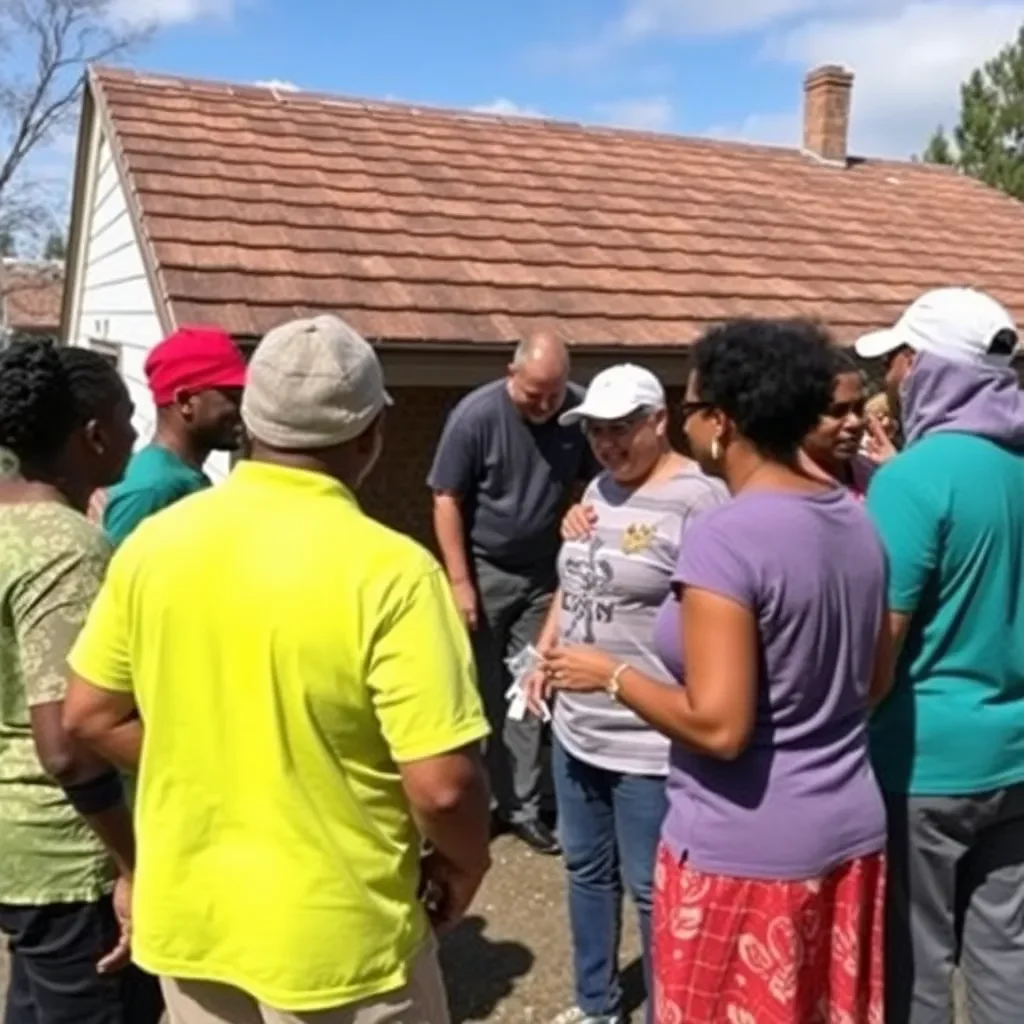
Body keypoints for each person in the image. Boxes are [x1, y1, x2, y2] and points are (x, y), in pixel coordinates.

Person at [63, 314, 492, 1024]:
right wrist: (466, 864)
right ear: (371, 434)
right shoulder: (394, 573)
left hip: (194, 922)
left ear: (253, 422)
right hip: (339, 940)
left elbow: (87, 716)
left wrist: (213, 762)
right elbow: (444, 788)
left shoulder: (154, 546)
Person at [545, 319, 891, 1024]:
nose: (686, 421)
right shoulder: (856, 517)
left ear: (723, 422)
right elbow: (873, 683)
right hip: (849, 828)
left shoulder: (726, 536)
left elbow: (720, 727)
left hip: (746, 848)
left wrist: (612, 676)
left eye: (693, 406)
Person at [528, 365, 726, 1024]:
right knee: (585, 869)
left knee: (652, 886)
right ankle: (596, 1004)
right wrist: (544, 654)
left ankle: (670, 1011)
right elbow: (574, 585)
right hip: (578, 725)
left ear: (658, 420)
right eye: (595, 432)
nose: (606, 444)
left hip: (650, 736)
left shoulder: (701, 500)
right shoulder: (597, 489)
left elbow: (719, 615)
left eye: (620, 429)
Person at [855, 287, 1024, 1024]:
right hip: (1016, 753)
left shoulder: (910, 479)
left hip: (923, 762)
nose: (892, 376)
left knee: (916, 962)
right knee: (1006, 952)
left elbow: (880, 647)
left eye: (900, 358)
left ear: (927, 367)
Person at [0, 341, 163, 1024]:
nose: (136, 433)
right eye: (128, 417)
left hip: (16, 848)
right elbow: (67, 743)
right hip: (70, 854)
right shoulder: (67, 550)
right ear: (94, 434)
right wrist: (134, 864)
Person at [428, 332, 598, 855]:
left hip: (542, 575)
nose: (545, 406)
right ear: (511, 374)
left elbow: (600, 481)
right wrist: (460, 583)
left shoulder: (577, 413)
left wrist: (581, 510)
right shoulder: (475, 417)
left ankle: (520, 806)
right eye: (533, 395)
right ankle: (472, 804)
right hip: (484, 572)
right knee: (479, 690)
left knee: (527, 688)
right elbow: (446, 498)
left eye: (554, 395)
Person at [102, 324, 247, 546]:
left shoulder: (181, 475)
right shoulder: (153, 489)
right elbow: (112, 566)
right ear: (185, 401)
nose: (245, 408)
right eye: (234, 398)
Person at [800, 347, 877, 498]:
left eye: (859, 408)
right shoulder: (777, 492)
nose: (855, 422)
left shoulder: (876, 478)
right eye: (837, 411)